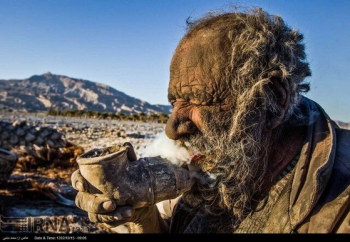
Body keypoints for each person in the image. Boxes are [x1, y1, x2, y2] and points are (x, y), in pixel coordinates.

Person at [71, 8, 350, 233]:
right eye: (174, 102)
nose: (172, 129)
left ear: (271, 101)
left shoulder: (340, 208)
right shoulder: (221, 170)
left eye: (197, 99)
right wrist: (143, 220)